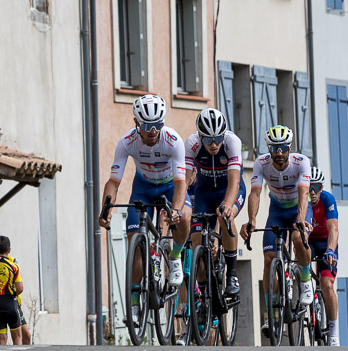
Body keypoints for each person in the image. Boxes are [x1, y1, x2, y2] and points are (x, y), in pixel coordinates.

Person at [99, 95, 192, 319]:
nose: (153, 131)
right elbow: (114, 181)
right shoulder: (127, 142)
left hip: (170, 186)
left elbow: (181, 183)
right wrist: (106, 209)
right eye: (147, 125)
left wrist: (177, 210)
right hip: (142, 188)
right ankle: (134, 303)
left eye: (158, 125)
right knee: (135, 244)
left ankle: (175, 256)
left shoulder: (172, 140)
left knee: (186, 218)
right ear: (136, 122)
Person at [240, 125, 315, 338]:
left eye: (283, 147)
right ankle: (271, 315)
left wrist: (300, 219)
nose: (279, 153)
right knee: (268, 259)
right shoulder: (261, 163)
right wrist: (252, 220)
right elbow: (255, 193)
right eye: (274, 148)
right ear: (269, 148)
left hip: (298, 208)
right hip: (277, 210)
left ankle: (306, 278)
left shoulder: (301, 162)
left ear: (289, 147)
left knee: (299, 238)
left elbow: (303, 192)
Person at [185, 108, 244, 298]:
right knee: (196, 241)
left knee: (227, 216)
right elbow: (184, 180)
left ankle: (232, 275)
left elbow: (234, 180)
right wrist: (179, 204)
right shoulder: (192, 144)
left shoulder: (232, 142)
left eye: (218, 138)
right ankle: (203, 294)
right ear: (200, 135)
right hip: (205, 192)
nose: (214, 144)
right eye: (208, 139)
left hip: (230, 189)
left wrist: (227, 205)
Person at [307, 167, 340, 346]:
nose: (312, 192)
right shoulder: (301, 199)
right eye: (309, 187)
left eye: (316, 187)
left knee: (327, 285)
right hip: (310, 242)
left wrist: (330, 250)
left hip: (326, 242)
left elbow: (334, 228)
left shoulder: (328, 199)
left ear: (321, 188)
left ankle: (333, 331)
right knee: (300, 258)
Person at [0, 233, 31, 345]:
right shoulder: (13, 266)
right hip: (11, 303)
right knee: (17, 338)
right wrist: (10, 292)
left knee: (0, 340)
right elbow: (20, 288)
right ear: (9, 250)